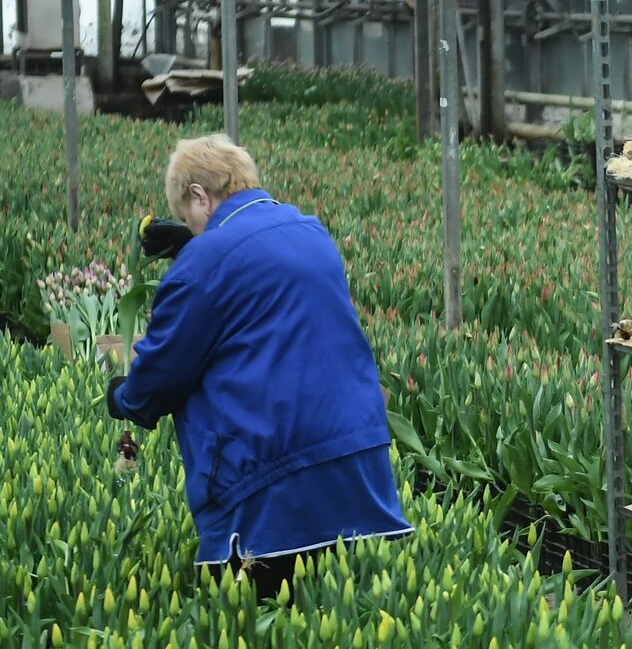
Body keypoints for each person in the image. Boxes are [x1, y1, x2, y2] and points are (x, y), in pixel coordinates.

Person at [107, 134, 413, 602]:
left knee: (262, 639)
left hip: (269, 482)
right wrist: (192, 242)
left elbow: (161, 379)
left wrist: (122, 397)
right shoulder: (310, 231)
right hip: (357, 464)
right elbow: (255, 272)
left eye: (189, 213)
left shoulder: (203, 265)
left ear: (198, 195)